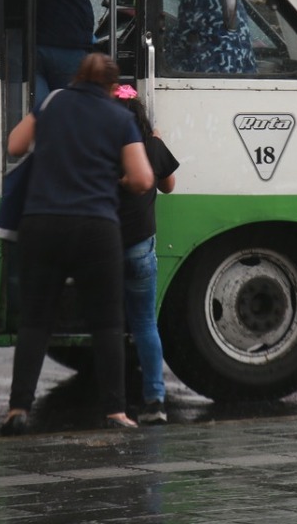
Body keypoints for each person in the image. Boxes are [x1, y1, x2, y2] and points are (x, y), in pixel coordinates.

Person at [1, 53, 154, 435]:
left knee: (35, 322)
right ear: (110, 85)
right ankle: (115, 412)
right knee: (106, 323)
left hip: (42, 223)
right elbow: (142, 179)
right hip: (94, 227)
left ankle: (18, 409)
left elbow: (15, 145)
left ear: (77, 77)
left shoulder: (52, 101)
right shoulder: (120, 118)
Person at [112, 85, 179, 425]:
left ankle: (114, 404)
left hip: (106, 248)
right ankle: (154, 401)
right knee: (144, 324)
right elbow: (169, 186)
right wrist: (156, 142)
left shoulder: (102, 148)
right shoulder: (151, 146)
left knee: (108, 325)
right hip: (141, 248)